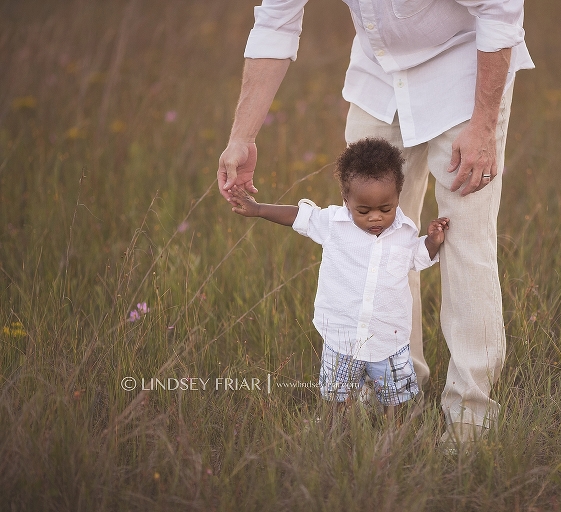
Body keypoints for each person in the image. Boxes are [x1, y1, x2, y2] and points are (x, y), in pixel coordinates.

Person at [217, 0, 533, 448]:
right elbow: (275, 22)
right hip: (379, 79)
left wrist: (483, 127)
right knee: (369, 239)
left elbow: (501, 11)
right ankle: (397, 384)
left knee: (464, 242)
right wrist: (242, 136)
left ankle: (470, 414)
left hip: (466, 75)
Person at [230, 138, 449, 418]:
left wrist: (432, 241)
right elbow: (300, 216)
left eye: (386, 209)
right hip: (341, 335)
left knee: (395, 401)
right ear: (346, 200)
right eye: (363, 210)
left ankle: (394, 443)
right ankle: (336, 436)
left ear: (398, 195)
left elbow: (419, 257)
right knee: (336, 397)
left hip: (388, 339)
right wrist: (259, 209)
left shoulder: (405, 232)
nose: (375, 219)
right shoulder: (334, 224)